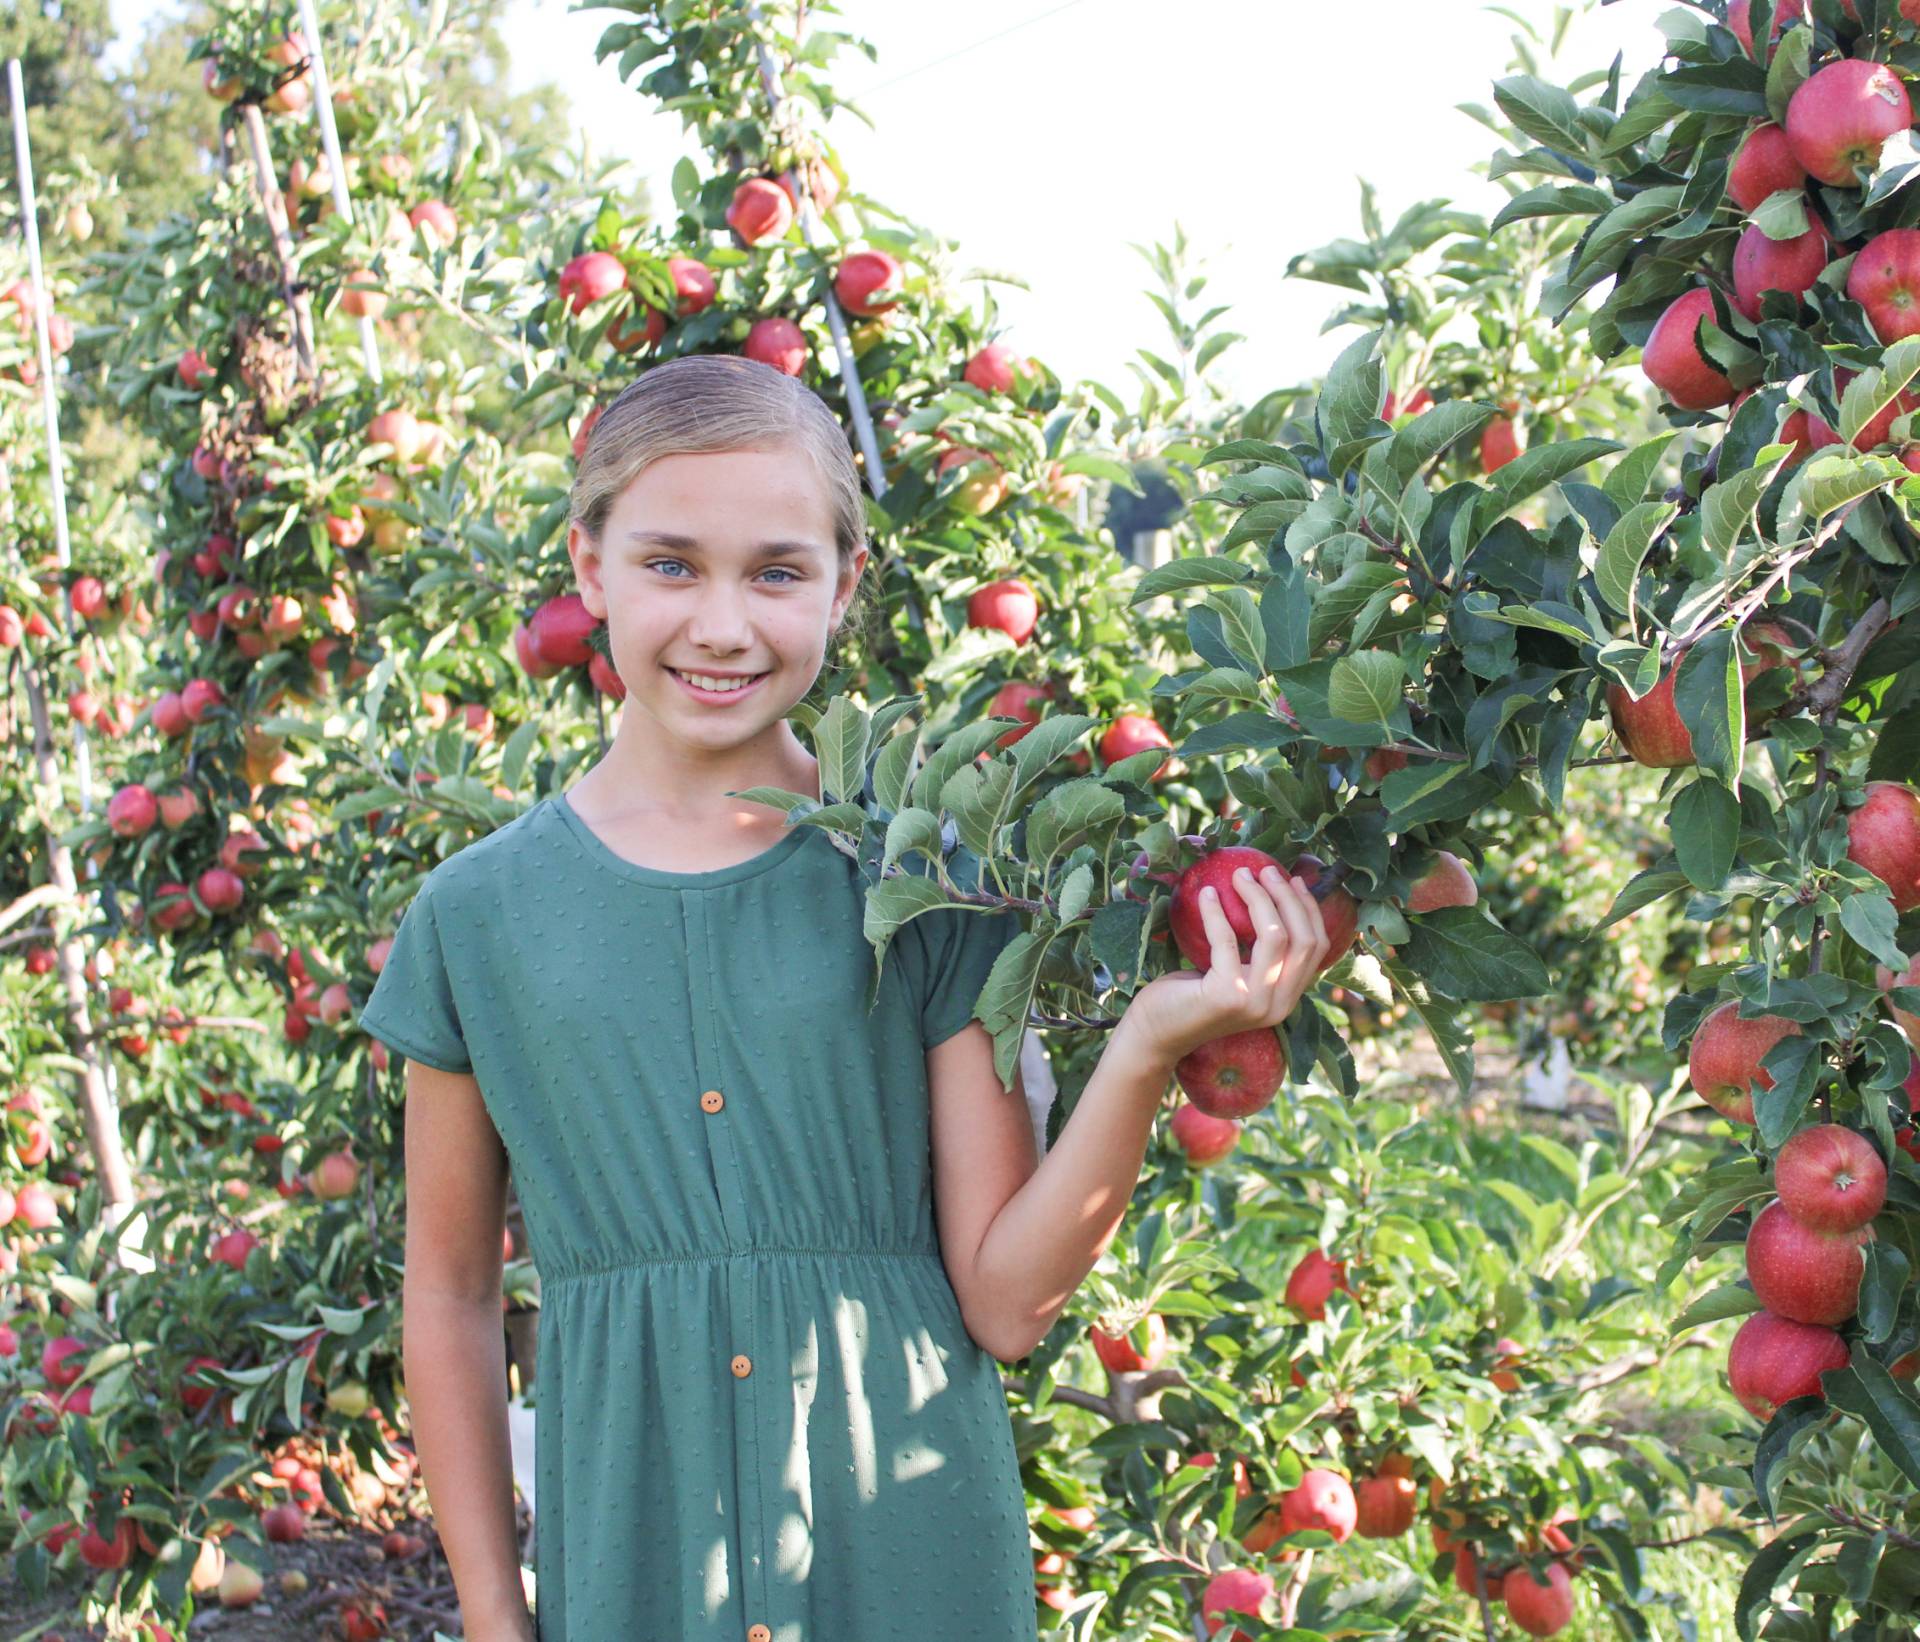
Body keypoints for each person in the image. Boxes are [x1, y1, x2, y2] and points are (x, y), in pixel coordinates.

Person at [358, 352, 1330, 1641]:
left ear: (843, 585)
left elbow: (1004, 1302)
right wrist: (494, 1612)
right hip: (636, 1563)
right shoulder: (475, 918)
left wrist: (1145, 1053)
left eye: (776, 571)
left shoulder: (926, 886)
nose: (723, 623)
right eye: (669, 565)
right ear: (588, 568)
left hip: (911, 1555)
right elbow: (453, 1296)